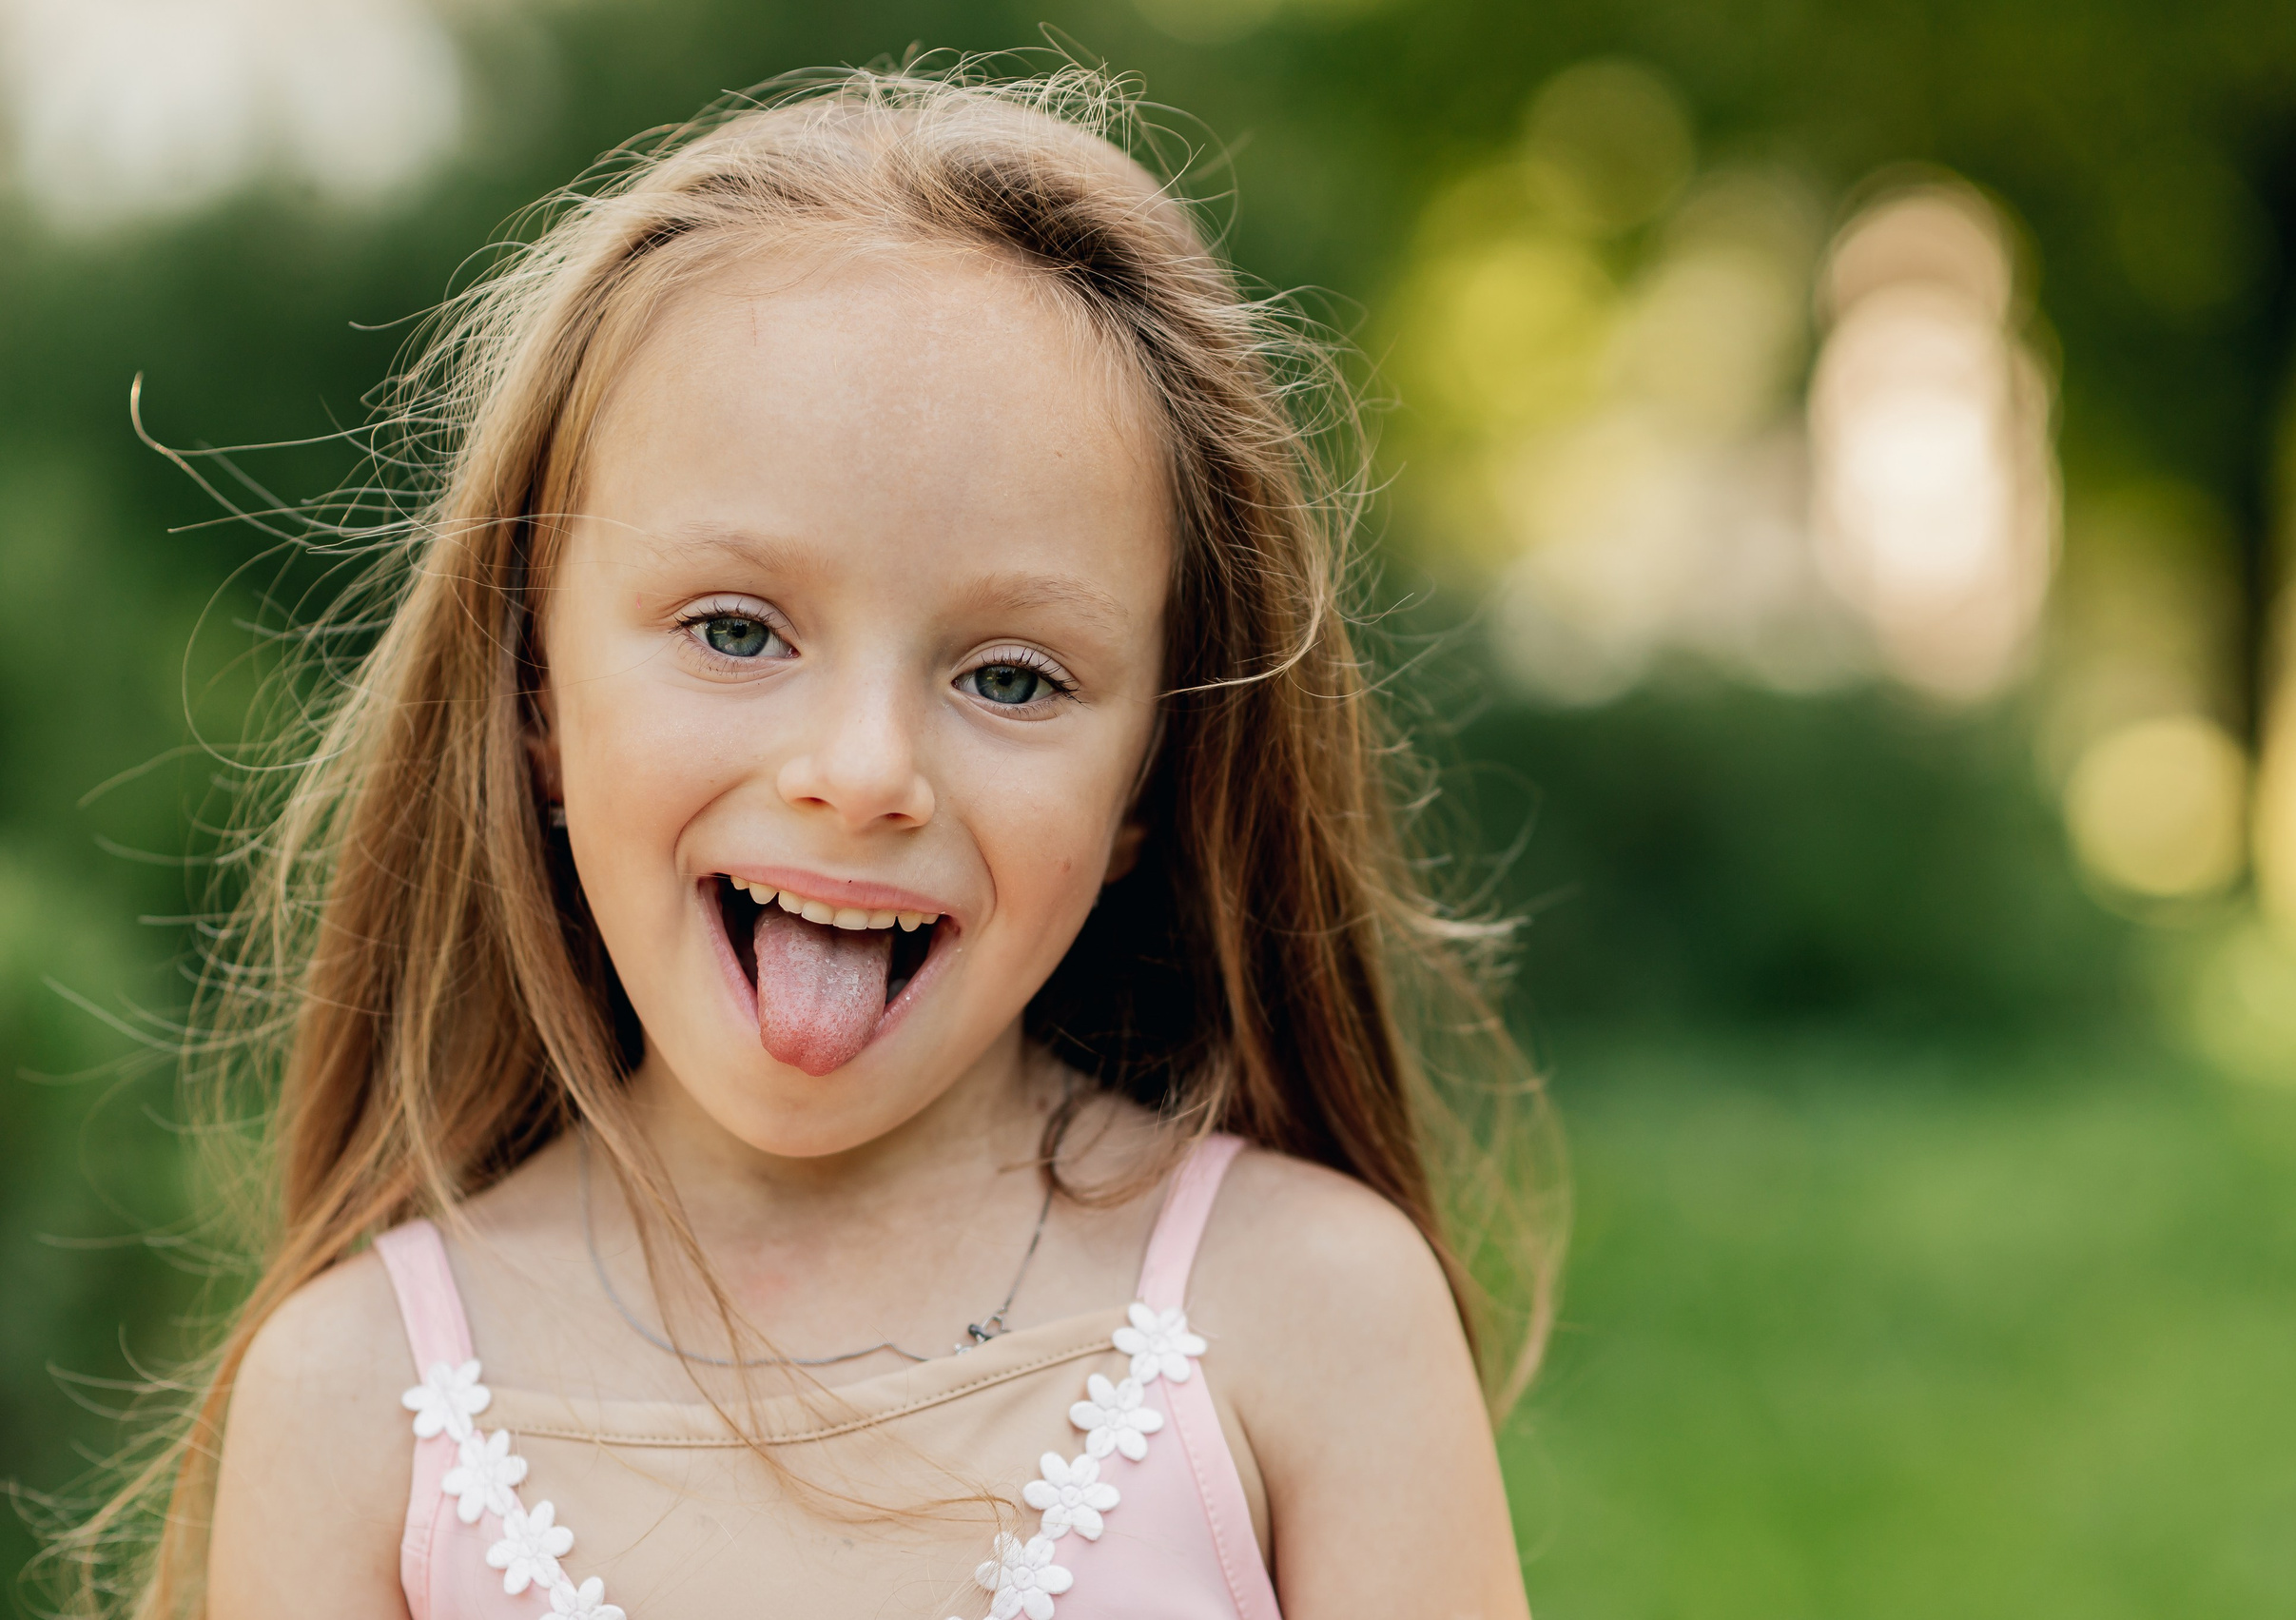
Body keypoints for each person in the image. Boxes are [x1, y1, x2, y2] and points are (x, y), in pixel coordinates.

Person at [85, 63, 1556, 1620]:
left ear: (1147, 783)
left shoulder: (1313, 1317)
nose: (863, 777)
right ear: (537, 692)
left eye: (1010, 676)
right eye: (735, 630)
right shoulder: (351, 1405)